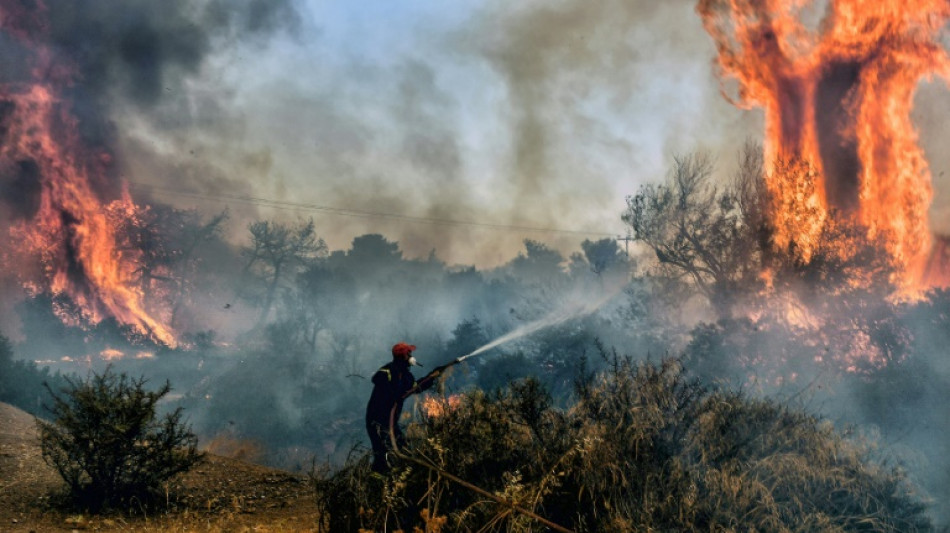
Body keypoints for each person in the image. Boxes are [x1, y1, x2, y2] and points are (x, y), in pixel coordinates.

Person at [365, 342, 440, 473]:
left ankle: (401, 473)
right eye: (408, 353)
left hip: (391, 421)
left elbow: (416, 387)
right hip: (376, 420)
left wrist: (431, 377)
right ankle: (378, 480)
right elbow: (377, 379)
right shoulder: (387, 371)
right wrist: (396, 394)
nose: (411, 356)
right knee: (381, 451)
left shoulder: (406, 376)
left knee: (401, 446)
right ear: (402, 356)